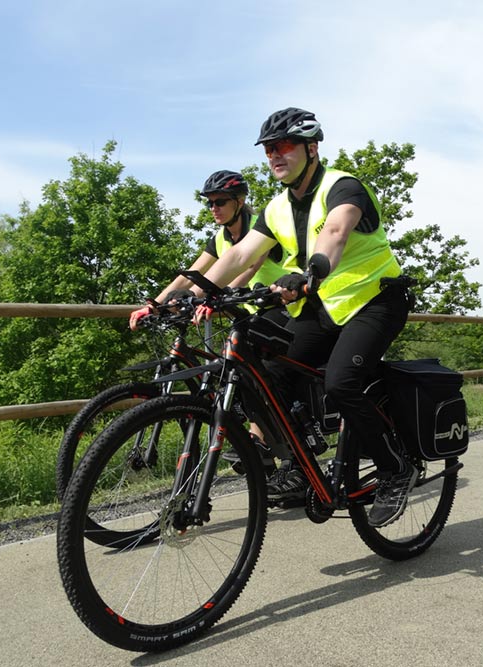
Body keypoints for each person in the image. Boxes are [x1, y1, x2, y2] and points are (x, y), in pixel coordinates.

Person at [192, 108, 415, 527]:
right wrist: (194, 292)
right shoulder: (276, 208)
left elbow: (335, 234)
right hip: (325, 307)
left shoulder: (343, 186)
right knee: (270, 372)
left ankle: (395, 469)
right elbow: (239, 254)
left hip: (375, 300)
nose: (275, 155)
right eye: (270, 149)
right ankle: (300, 463)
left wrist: (309, 273)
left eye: (284, 146)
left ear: (311, 148)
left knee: (342, 382)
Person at [129, 169, 287, 467]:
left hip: (278, 306)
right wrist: (155, 304)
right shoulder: (221, 237)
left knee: (260, 373)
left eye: (220, 201)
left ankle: (260, 441)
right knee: (227, 371)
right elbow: (190, 275)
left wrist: (212, 296)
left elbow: (249, 267)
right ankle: (258, 451)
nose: (214, 207)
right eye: (209, 203)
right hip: (244, 314)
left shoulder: (259, 227)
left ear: (239, 201)